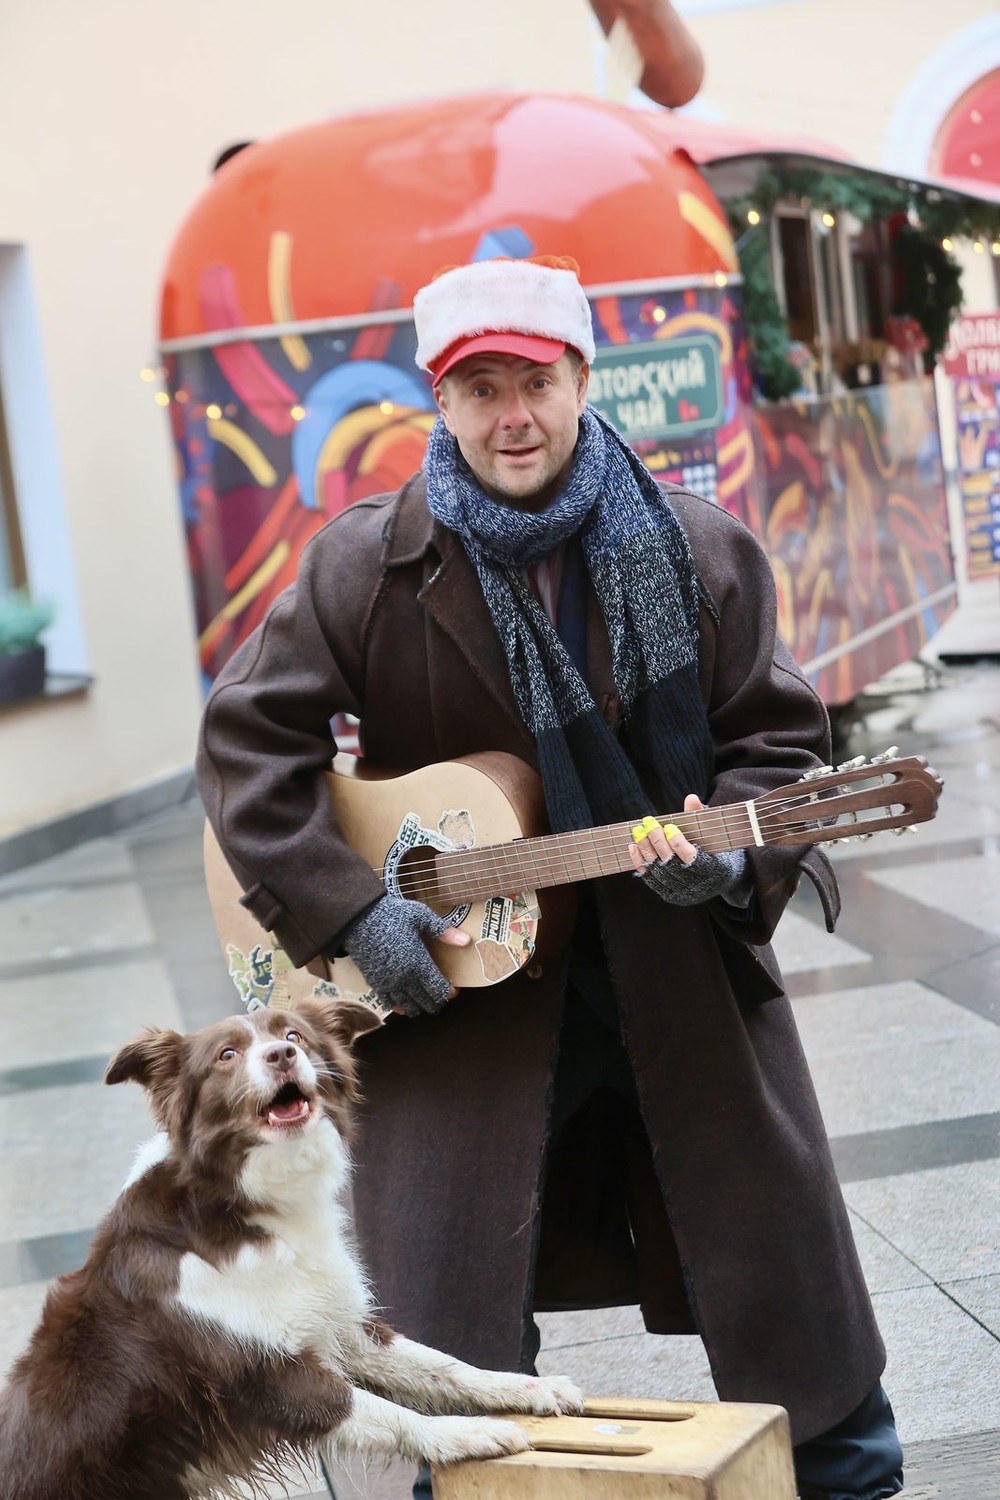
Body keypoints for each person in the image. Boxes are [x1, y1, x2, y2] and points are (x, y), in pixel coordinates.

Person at [197, 255, 904, 1500]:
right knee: (450, 1300)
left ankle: (850, 1471)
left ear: (582, 379)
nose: (510, 414)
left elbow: (779, 743)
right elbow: (251, 742)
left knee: (781, 1271)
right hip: (466, 1005)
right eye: (479, 388)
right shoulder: (368, 565)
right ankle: (439, 1479)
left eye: (535, 379)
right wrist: (355, 909)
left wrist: (730, 846)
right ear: (441, 402)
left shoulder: (695, 548)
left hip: (672, 978)